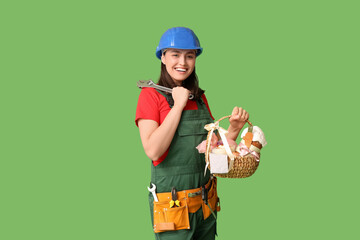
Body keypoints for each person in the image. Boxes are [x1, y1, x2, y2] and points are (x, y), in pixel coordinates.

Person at [135, 27, 249, 240]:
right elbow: (153, 150)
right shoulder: (151, 96)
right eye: (175, 55)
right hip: (173, 206)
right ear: (163, 58)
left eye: (190, 56)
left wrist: (234, 128)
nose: (183, 62)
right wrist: (177, 106)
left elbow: (214, 155)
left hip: (206, 205)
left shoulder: (198, 98)